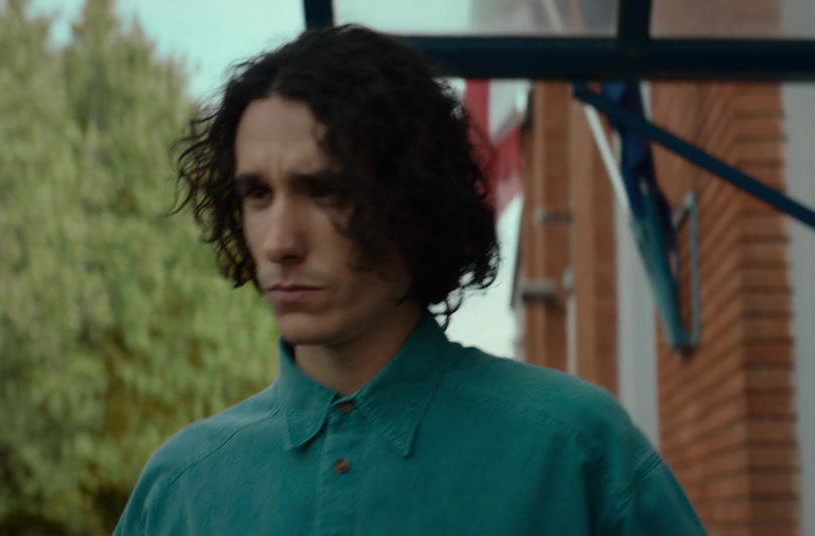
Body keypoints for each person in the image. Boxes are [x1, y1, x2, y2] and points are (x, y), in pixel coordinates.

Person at [114, 25, 706, 535]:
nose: (279, 242)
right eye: (258, 194)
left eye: (326, 190)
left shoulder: (576, 452)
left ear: (415, 199)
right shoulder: (180, 489)